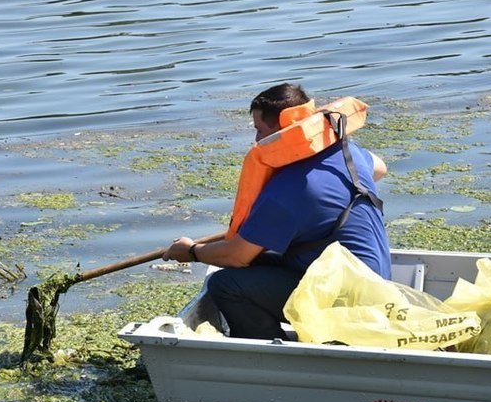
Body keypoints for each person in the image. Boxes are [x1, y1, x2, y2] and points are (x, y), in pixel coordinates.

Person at [163, 83, 391, 340]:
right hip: (376, 283)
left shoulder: (291, 187)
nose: (257, 141)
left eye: (260, 130)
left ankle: (265, 352)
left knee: (225, 284)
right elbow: (380, 168)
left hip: (347, 300)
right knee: (260, 257)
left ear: (281, 132)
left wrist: (191, 251)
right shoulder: (349, 154)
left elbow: (236, 256)